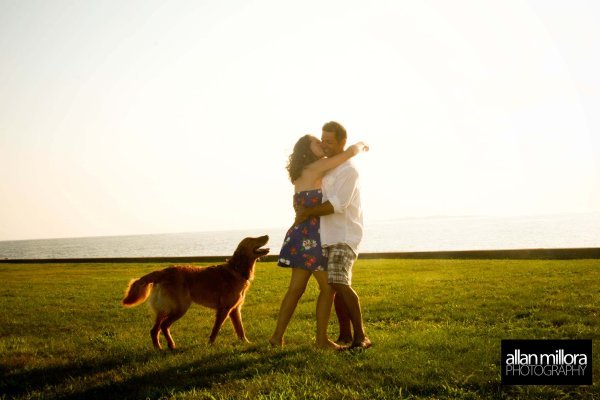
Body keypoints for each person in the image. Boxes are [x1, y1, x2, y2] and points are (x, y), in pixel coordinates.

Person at [270, 134, 369, 350]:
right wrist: (361, 145)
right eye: (317, 142)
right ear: (307, 150)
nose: (322, 144)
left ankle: (277, 337)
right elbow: (348, 154)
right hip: (312, 237)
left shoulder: (303, 172)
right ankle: (321, 340)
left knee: (295, 289)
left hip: (300, 235)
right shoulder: (317, 167)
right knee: (328, 288)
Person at [295, 121, 372, 349]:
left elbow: (337, 204)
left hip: (345, 235)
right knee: (336, 284)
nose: (325, 145)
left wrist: (306, 212)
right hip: (328, 236)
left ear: (341, 142)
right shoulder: (329, 168)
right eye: (323, 140)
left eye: (329, 141)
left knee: (339, 282)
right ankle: (345, 336)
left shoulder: (349, 170)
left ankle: (361, 337)